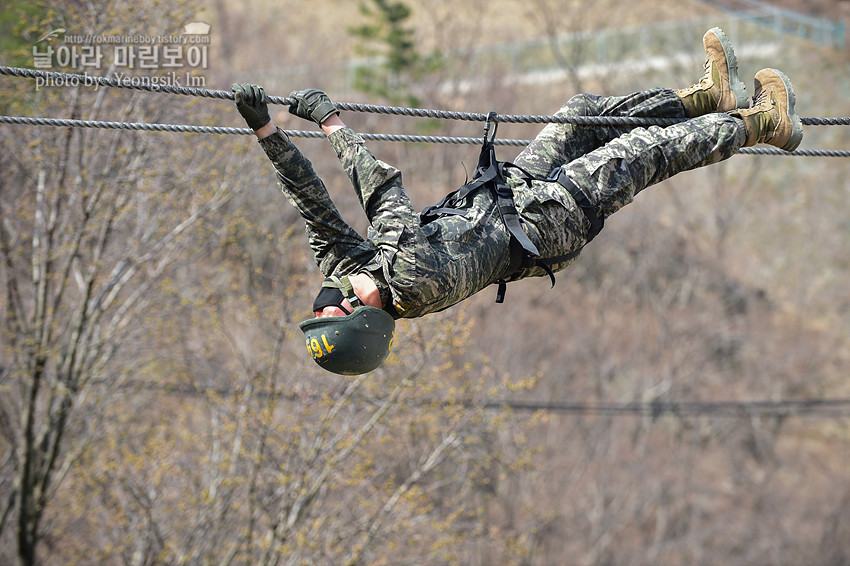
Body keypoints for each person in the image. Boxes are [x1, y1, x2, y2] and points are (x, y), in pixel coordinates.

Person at [232, 27, 802, 375]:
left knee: (580, 113)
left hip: (510, 195)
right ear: (360, 318)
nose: (322, 298)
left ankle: (704, 98)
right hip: (549, 224)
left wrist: (267, 133)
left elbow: (311, 204)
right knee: (644, 151)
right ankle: (762, 123)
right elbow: (382, 191)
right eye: (326, 312)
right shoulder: (409, 278)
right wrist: (332, 123)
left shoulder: (354, 268)